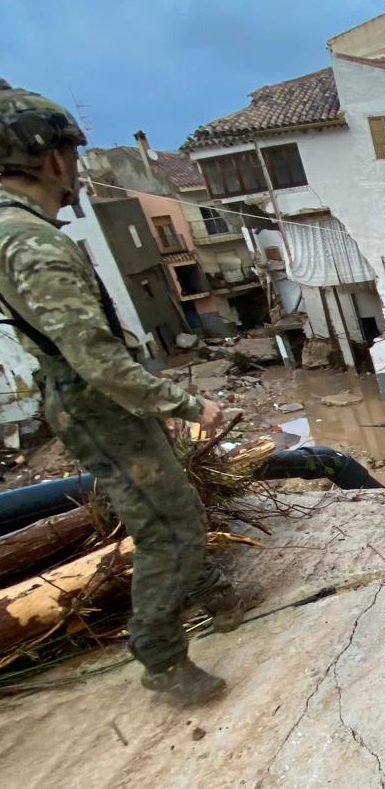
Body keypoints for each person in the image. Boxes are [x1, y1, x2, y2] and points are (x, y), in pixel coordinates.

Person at [0, 79, 243, 706]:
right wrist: (191, 405)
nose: (75, 170)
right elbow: (96, 360)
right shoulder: (31, 241)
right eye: (72, 157)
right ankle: (161, 659)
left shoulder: (16, 230)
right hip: (97, 404)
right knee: (169, 528)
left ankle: (215, 593)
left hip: (92, 402)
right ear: (52, 157)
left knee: (173, 508)